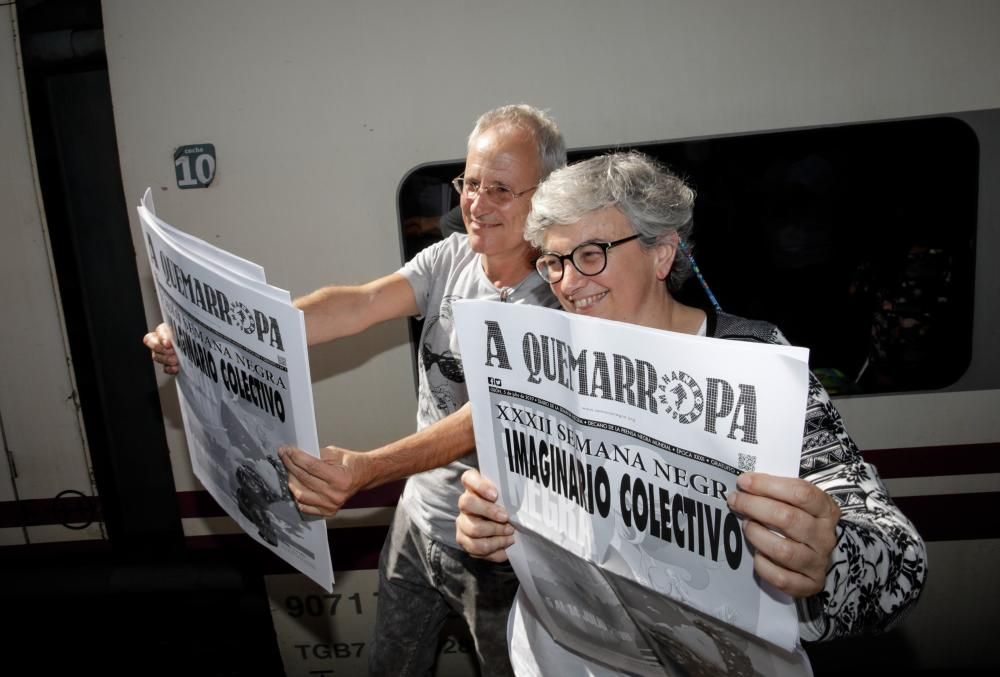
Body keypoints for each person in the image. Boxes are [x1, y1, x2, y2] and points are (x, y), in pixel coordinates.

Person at [455, 151, 927, 673]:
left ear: (662, 254)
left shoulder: (752, 363)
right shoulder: (534, 360)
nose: (567, 283)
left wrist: (829, 557)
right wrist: (493, 530)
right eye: (554, 260)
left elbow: (900, 561)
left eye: (591, 254)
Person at [144, 104, 566, 676]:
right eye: (469, 183)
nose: (476, 203)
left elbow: (482, 418)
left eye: (500, 189)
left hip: (499, 552)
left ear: (545, 196)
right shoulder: (456, 256)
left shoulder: (558, 296)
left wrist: (367, 468)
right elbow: (358, 303)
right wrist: (220, 337)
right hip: (418, 523)